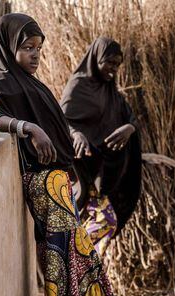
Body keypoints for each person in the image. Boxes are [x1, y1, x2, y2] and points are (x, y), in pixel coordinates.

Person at [0, 14, 118, 296]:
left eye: (39, 48)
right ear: (9, 47)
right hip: (43, 184)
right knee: (64, 257)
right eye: (28, 47)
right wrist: (29, 128)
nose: (35, 55)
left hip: (57, 182)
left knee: (72, 254)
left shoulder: (29, 82)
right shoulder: (2, 80)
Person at [60, 37, 142, 256]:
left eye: (117, 64)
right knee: (105, 221)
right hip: (83, 169)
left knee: (102, 223)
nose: (113, 69)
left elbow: (131, 118)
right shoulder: (78, 85)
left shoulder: (109, 90)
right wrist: (76, 134)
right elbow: (60, 122)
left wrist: (129, 129)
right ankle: (75, 261)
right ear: (96, 59)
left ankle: (80, 269)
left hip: (103, 171)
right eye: (109, 63)